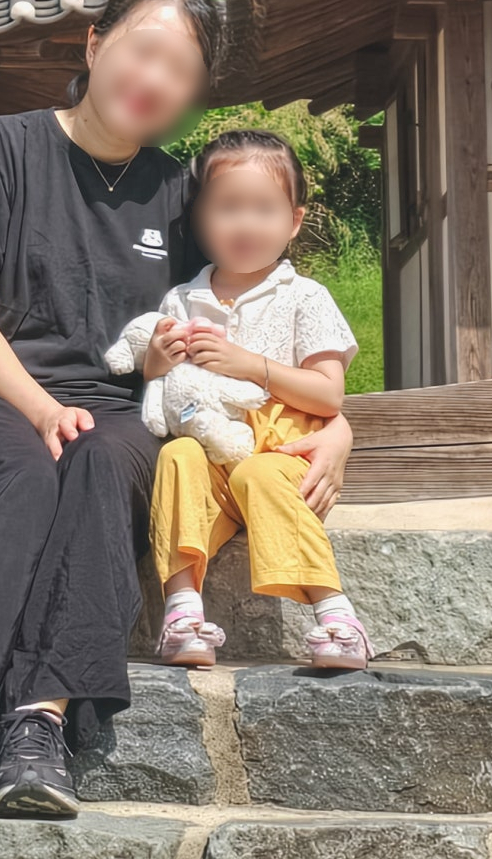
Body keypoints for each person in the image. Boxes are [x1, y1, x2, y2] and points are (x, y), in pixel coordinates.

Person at [0, 0, 356, 822]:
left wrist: (337, 425)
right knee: (24, 471)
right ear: (95, 45)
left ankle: (38, 722)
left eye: (180, 71)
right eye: (144, 51)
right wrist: (36, 407)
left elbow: (258, 313)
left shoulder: (180, 197)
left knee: (103, 462)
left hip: (122, 414)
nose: (155, 79)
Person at [145, 127, 371, 670]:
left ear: (293, 221)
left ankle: (339, 618)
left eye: (265, 210)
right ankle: (182, 613)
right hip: (211, 455)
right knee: (177, 456)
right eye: (227, 208)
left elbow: (328, 394)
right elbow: (158, 384)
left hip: (282, 454)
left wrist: (251, 366)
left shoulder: (304, 297)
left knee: (262, 476)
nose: (246, 224)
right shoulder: (184, 296)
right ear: (200, 221)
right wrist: (157, 353)